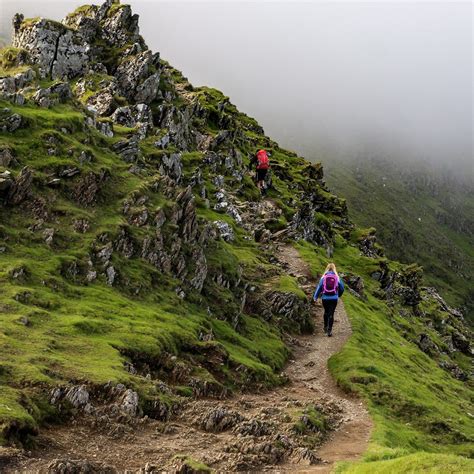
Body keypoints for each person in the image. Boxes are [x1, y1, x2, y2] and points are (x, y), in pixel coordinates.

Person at [313, 263, 344, 337]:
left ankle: (325, 327)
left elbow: (319, 288)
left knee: (326, 312)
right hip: (334, 298)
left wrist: (315, 297)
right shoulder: (337, 277)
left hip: (325, 298)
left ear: (327, 268)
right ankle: (329, 331)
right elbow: (342, 288)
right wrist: (338, 295)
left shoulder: (323, 277)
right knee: (331, 313)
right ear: (334, 269)